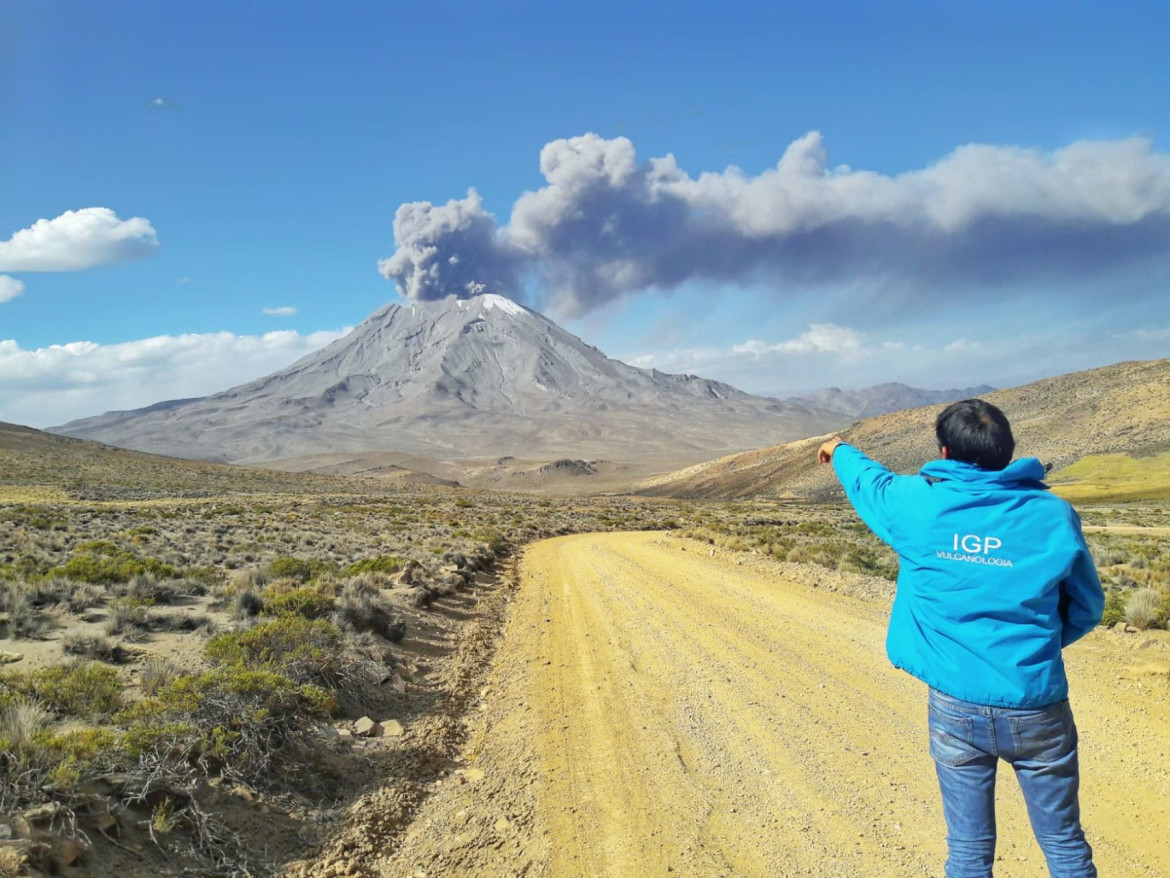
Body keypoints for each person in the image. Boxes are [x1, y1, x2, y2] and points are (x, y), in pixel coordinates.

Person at [817, 398, 1103, 878]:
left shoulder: (917, 505)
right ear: (1006, 451)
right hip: (1037, 703)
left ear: (944, 450)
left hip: (955, 706)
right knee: (1064, 845)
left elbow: (871, 482)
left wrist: (838, 448)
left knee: (968, 852)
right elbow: (1087, 607)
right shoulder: (1053, 514)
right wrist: (1035, 648)